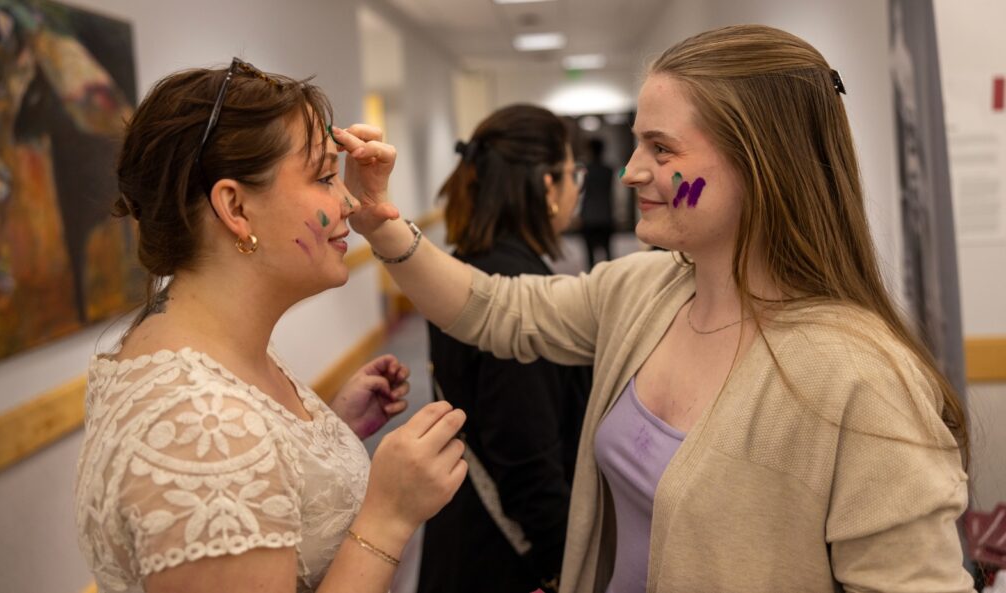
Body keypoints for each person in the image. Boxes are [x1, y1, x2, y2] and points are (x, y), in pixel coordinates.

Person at [347, 25, 975, 593]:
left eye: (660, 148)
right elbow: (494, 309)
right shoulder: (645, 291)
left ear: (761, 164)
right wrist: (382, 223)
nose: (629, 171)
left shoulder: (864, 378)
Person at [73, 58, 467, 593]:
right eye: (326, 177)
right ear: (235, 207)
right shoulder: (203, 431)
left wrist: (325, 441)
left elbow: (262, 503)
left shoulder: (204, 349)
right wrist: (389, 517)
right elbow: (223, 463)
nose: (349, 201)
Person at [417, 104, 591, 593]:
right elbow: (525, 453)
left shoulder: (465, 267)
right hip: (506, 554)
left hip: (467, 520)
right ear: (546, 187)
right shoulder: (518, 292)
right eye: (571, 172)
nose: (577, 187)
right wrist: (563, 566)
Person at [578, 138, 615, 270]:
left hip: (589, 215)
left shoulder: (587, 171)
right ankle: (610, 277)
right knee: (608, 252)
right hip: (605, 214)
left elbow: (583, 193)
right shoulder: (608, 170)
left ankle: (592, 279)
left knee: (590, 256)